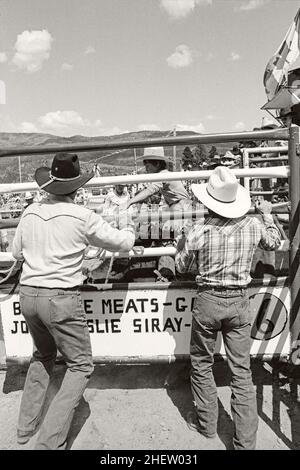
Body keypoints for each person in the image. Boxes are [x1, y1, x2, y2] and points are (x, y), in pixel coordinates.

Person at [12, 152, 135, 450]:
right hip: (60, 298)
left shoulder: (29, 212)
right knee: (80, 366)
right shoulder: (83, 217)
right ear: (77, 188)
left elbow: (16, 253)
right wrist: (129, 225)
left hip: (29, 293)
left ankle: (25, 428)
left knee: (42, 356)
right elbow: (123, 243)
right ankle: (50, 441)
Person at [175, 166, 281, 449]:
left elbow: (181, 267)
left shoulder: (199, 230)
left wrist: (182, 243)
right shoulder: (254, 225)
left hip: (208, 300)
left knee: (201, 363)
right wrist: (268, 214)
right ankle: (245, 442)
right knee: (241, 371)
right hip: (239, 301)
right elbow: (275, 241)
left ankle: (206, 424)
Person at [126, 147, 192, 281]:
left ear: (156, 163)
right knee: (161, 231)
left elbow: (151, 190)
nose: (145, 168)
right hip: (180, 209)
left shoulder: (162, 175)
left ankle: (167, 273)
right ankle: (167, 269)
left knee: (164, 234)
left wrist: (130, 202)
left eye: (147, 164)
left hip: (181, 210)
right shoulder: (165, 175)